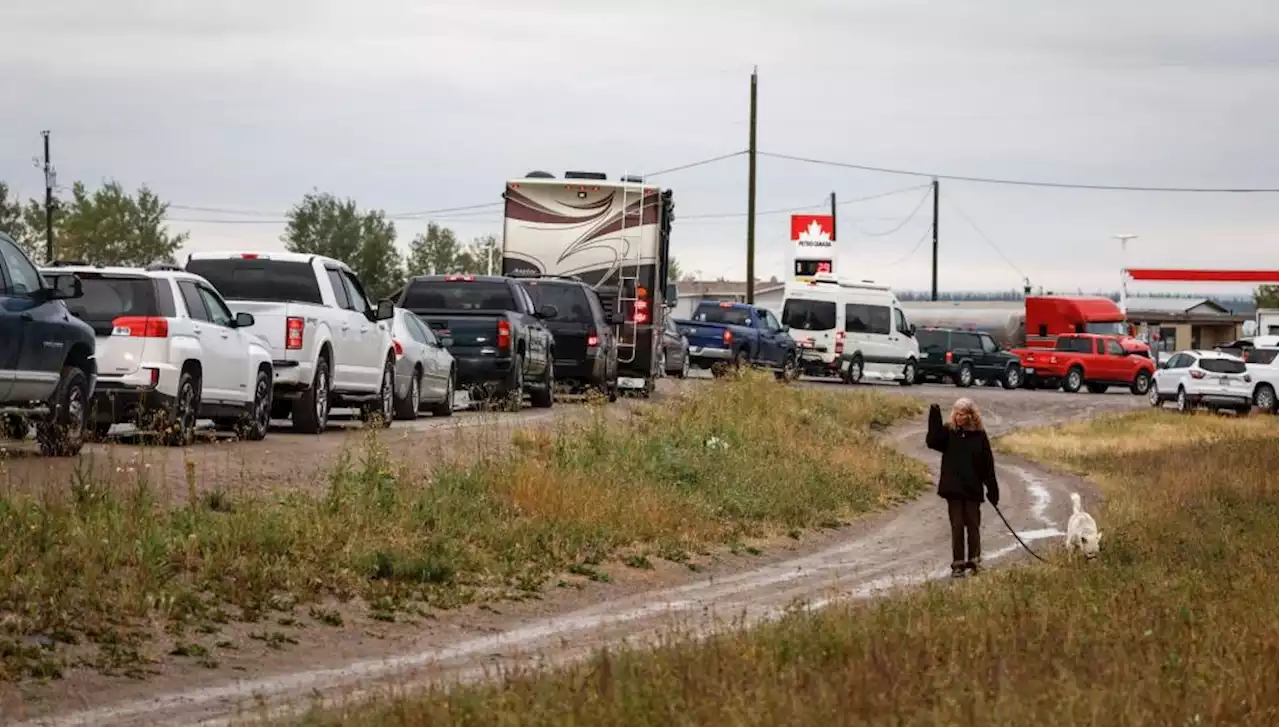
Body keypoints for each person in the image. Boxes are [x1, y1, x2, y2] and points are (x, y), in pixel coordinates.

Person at [926, 398, 999, 578]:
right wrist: (934, 417)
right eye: (957, 414)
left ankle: (974, 560)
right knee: (957, 525)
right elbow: (933, 441)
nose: (959, 418)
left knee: (973, 525)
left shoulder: (979, 435)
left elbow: (987, 463)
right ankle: (958, 564)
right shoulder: (949, 432)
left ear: (971, 416)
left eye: (963, 414)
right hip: (954, 488)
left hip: (973, 488)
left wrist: (992, 488)